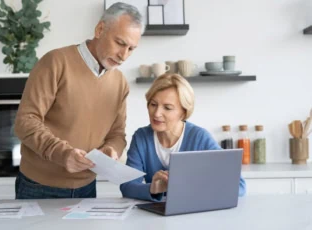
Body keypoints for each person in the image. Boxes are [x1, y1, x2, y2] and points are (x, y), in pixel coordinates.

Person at [14, 2, 143, 199]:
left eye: (131, 48)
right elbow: (26, 122)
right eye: (120, 43)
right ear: (100, 29)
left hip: (87, 187)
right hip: (39, 186)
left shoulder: (119, 82)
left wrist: (111, 150)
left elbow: (117, 134)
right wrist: (62, 153)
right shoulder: (55, 62)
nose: (123, 56)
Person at [120, 73, 246, 201]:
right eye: (153, 104)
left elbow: (239, 186)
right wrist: (153, 188)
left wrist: (195, 187)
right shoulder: (141, 137)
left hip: (192, 215)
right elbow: (127, 186)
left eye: (167, 108)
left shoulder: (199, 138)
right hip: (155, 216)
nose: (157, 113)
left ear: (183, 112)